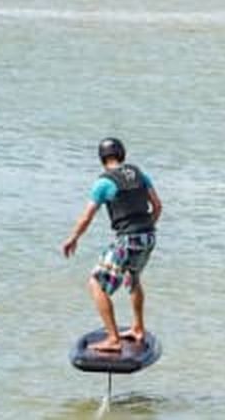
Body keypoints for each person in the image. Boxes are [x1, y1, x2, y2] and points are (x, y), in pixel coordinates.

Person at [62, 138, 163, 352]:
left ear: (102, 158)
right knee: (132, 277)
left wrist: (73, 238)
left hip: (128, 238)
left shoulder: (104, 183)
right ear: (122, 154)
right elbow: (157, 205)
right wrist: (145, 228)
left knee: (95, 283)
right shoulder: (138, 174)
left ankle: (113, 339)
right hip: (149, 236)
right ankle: (138, 328)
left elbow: (87, 216)